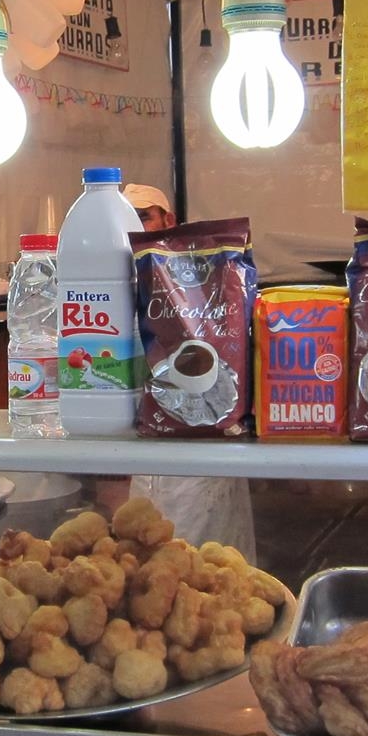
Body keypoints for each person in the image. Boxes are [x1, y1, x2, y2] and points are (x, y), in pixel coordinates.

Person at [113, 183, 258, 555]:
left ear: (168, 219)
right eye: (128, 219)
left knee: (216, 566)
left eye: (144, 216)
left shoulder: (201, 267)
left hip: (206, 443)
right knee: (150, 561)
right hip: (149, 442)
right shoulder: (117, 277)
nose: (137, 227)